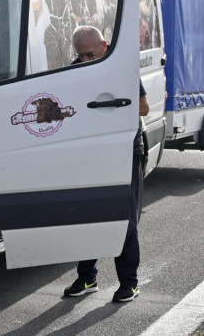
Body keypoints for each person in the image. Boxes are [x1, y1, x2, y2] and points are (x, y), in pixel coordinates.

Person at [63, 25, 149, 303]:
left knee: (124, 220)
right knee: (85, 216)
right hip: (88, 152)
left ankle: (129, 283)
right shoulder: (74, 70)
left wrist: (110, 106)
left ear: (105, 45)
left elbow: (144, 107)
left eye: (90, 54)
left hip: (123, 150)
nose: (86, 60)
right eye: (81, 56)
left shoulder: (121, 69)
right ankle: (87, 277)